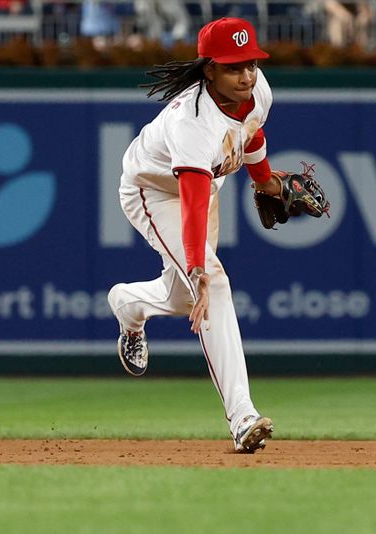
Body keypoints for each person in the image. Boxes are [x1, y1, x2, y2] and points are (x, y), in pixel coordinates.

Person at [107, 17, 281, 453]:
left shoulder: (257, 90)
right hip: (155, 191)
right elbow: (192, 200)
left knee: (190, 295)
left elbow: (251, 133)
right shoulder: (192, 123)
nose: (245, 75)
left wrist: (265, 182)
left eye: (250, 64)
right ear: (209, 70)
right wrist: (199, 267)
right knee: (212, 284)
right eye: (232, 67)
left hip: (205, 185)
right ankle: (243, 417)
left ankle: (129, 304)